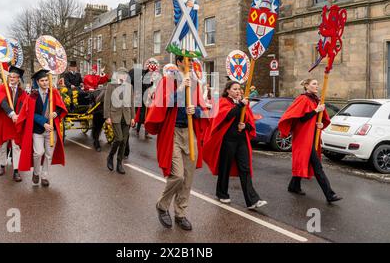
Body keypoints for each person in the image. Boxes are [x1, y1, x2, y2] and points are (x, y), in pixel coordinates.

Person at [145, 55, 208, 231]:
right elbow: (160, 105)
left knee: (187, 178)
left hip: (190, 133)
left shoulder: (195, 83)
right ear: (179, 62)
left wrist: (194, 110)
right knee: (178, 175)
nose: (191, 63)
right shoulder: (168, 81)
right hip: (172, 133)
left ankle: (180, 213)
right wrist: (180, 88)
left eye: (192, 61)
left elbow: (202, 110)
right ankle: (162, 205)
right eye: (187, 60)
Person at [203, 81, 267, 209]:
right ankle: (221, 193)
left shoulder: (243, 103)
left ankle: (252, 200)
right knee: (225, 168)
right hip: (227, 140)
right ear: (228, 90)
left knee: (245, 169)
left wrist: (246, 126)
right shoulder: (223, 102)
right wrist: (240, 106)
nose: (238, 91)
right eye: (235, 89)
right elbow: (226, 116)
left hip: (241, 140)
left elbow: (249, 121)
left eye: (239, 89)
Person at [278, 79, 342, 204]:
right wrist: (315, 111)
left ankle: (294, 186)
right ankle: (330, 194)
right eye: (314, 84)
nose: (316, 86)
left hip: (312, 137)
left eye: (317, 84)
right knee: (318, 167)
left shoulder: (316, 100)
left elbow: (319, 120)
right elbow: (301, 119)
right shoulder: (303, 99)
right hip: (303, 138)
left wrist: (320, 124)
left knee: (304, 162)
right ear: (306, 86)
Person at [17, 69, 68, 187]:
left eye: (46, 80)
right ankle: (36, 172)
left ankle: (44, 176)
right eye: (42, 81)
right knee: (38, 153)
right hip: (38, 130)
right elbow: (30, 114)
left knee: (49, 154)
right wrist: (44, 122)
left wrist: (56, 112)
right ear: (38, 82)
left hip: (52, 130)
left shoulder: (54, 93)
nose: (45, 83)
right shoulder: (32, 96)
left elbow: (61, 107)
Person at [0, 67, 27, 182]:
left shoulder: (22, 92)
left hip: (15, 123)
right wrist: (12, 113)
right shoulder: (2, 88)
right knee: (3, 146)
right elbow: (2, 102)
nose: (12, 79)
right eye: (10, 76)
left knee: (16, 146)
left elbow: (24, 105)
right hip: (4, 122)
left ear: (18, 79)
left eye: (15, 77)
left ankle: (16, 171)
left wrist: (19, 115)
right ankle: (2, 166)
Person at [104, 67, 135, 174]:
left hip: (126, 116)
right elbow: (107, 102)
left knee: (124, 141)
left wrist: (132, 117)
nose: (124, 76)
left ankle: (119, 163)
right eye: (122, 74)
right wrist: (107, 116)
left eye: (125, 75)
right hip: (115, 115)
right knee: (119, 138)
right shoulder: (111, 85)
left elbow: (132, 103)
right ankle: (110, 156)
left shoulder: (129, 86)